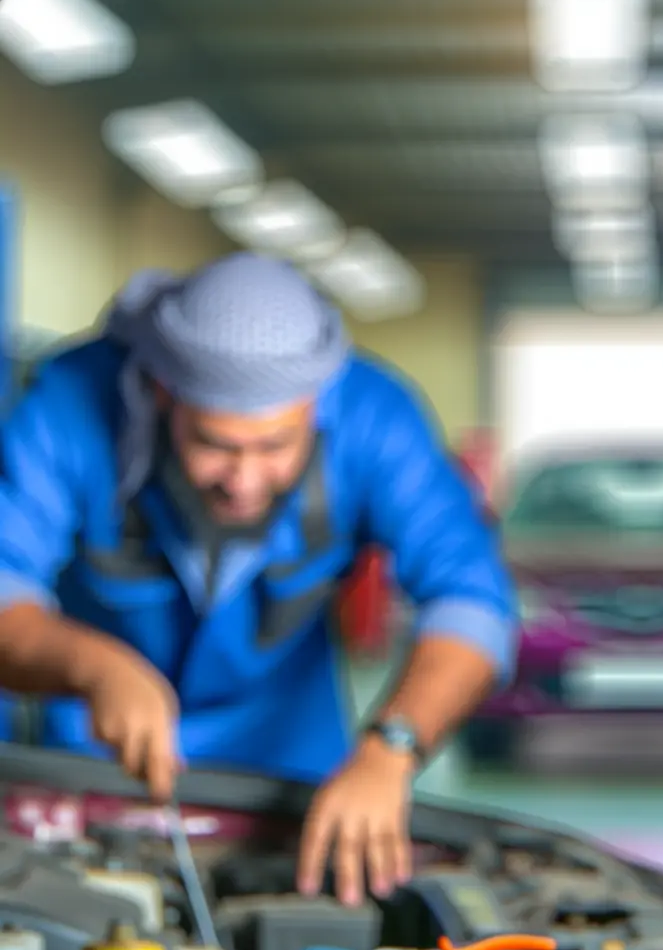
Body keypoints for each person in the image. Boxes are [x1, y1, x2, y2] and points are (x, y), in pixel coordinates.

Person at [0, 252, 518, 905]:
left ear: (314, 405)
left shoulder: (376, 418)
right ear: (163, 393)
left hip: (293, 770)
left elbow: (469, 600)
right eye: (214, 443)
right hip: (94, 766)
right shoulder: (68, 407)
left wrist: (392, 746)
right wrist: (94, 667)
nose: (244, 481)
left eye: (274, 446)